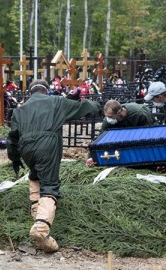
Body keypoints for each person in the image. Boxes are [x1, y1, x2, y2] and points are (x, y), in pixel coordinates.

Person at [6, 79, 101, 253]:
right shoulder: (56, 101)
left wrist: (14, 158)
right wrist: (99, 106)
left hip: (26, 149)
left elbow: (12, 137)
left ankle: (37, 215)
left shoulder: (19, 110)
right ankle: (41, 229)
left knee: (35, 175)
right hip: (47, 145)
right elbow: (82, 107)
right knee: (50, 186)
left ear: (30, 93)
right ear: (47, 91)